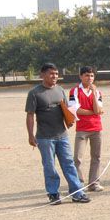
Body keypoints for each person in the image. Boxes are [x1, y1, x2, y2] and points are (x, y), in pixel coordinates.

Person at [25, 63, 91, 204]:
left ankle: (77, 192)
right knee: (49, 166)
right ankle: (53, 193)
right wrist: (30, 135)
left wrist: (70, 119)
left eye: (56, 73)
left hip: (62, 135)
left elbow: (66, 109)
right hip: (45, 137)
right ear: (42, 75)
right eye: (51, 73)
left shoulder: (60, 90)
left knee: (69, 164)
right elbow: (30, 115)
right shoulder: (34, 93)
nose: (54, 76)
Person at [69, 66, 105, 192]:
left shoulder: (98, 92)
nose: (89, 78)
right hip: (82, 129)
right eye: (86, 75)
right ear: (80, 76)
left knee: (96, 157)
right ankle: (78, 183)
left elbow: (98, 109)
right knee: (77, 158)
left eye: (91, 76)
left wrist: (94, 94)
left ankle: (94, 183)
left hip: (96, 128)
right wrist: (94, 112)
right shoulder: (74, 91)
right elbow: (76, 110)